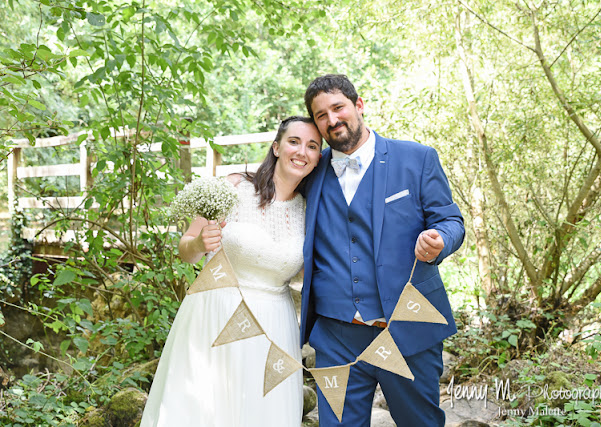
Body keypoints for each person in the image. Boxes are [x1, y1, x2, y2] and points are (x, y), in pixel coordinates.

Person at [299, 74, 465, 426]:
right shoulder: (310, 172)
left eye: (338, 107)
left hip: (408, 327)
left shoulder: (416, 158)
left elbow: (452, 221)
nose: (332, 120)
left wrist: (438, 240)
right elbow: (271, 189)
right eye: (320, 115)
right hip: (336, 337)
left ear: (358, 106)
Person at [141, 116, 322, 427]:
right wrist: (199, 241)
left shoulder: (309, 209)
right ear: (276, 147)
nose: (301, 151)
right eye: (294, 141)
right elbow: (186, 249)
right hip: (216, 313)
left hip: (275, 325)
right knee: (206, 410)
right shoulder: (235, 186)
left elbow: (308, 273)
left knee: (263, 412)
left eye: (312, 146)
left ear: (319, 157)